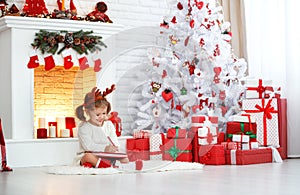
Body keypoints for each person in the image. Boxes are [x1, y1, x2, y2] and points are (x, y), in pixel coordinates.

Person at [74, 85, 129, 168]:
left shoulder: (109, 125)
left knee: (125, 158)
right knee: (88, 156)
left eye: (104, 113)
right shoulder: (84, 127)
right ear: (87, 112)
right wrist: (105, 148)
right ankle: (106, 167)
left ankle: (108, 164)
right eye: (97, 114)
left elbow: (114, 141)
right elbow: (89, 146)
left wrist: (115, 148)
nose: (101, 117)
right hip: (89, 154)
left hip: (105, 154)